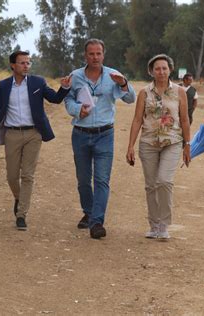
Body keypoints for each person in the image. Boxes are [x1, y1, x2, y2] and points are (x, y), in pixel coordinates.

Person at [64, 38, 136, 239]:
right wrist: (77, 110)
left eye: (98, 53)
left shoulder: (114, 76)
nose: (95, 57)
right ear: (85, 55)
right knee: (83, 180)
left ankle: (97, 222)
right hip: (80, 134)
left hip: (105, 134)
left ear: (103, 55)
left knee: (102, 180)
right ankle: (88, 212)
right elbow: (67, 98)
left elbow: (131, 99)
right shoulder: (76, 76)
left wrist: (124, 84)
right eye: (91, 54)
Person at [0, 51, 72, 230]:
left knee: (27, 175)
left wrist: (64, 88)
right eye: (22, 63)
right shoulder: (3, 85)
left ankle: (21, 215)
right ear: (13, 65)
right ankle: (19, 198)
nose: (26, 66)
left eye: (28, 62)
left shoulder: (38, 82)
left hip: (33, 134)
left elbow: (55, 99)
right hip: (12, 134)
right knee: (12, 176)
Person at [126, 54, 191, 239]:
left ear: (170, 70)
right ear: (151, 71)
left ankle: (164, 225)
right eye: (157, 68)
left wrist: (187, 144)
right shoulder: (144, 93)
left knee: (164, 181)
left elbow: (185, 119)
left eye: (164, 68)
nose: (161, 72)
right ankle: (154, 225)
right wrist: (130, 146)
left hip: (173, 142)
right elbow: (137, 119)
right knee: (151, 185)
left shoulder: (179, 92)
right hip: (148, 143)